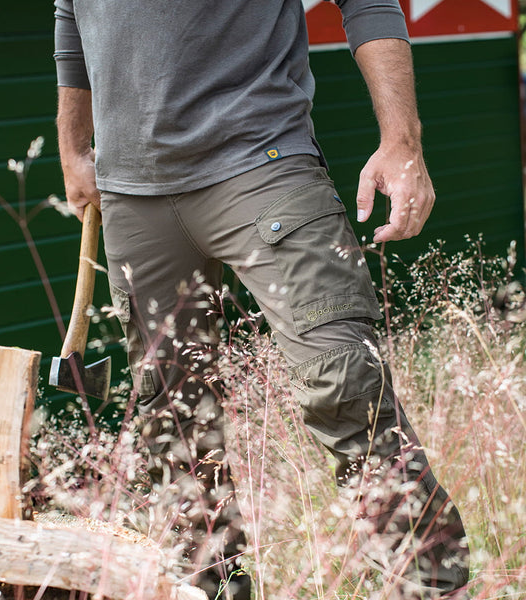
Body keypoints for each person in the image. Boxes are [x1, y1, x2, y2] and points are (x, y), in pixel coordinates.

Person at [53, 1, 470, 598]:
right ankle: (210, 589)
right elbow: (72, 16)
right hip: (132, 196)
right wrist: (73, 147)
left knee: (346, 386)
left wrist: (401, 141)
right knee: (173, 424)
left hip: (262, 165)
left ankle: (432, 588)